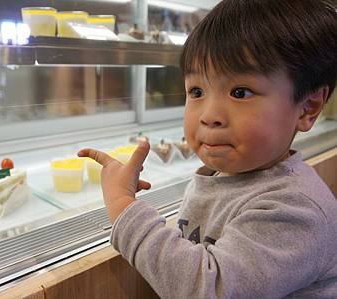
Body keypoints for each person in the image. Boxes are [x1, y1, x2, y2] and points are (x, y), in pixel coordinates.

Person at [78, 0, 337, 297]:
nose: (209, 114)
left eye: (240, 92)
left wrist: (122, 204)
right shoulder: (221, 175)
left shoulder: (294, 209)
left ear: (308, 107)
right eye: (196, 91)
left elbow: (208, 289)